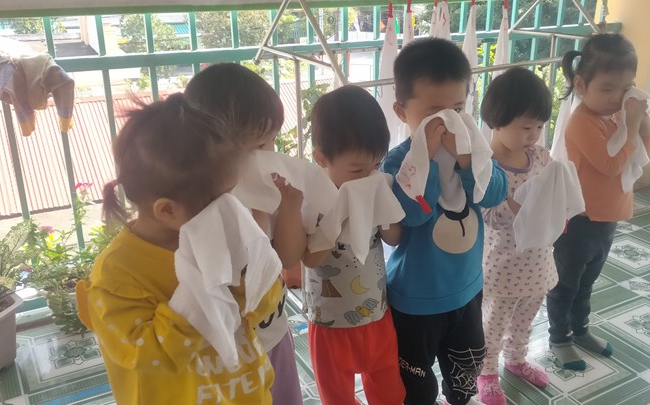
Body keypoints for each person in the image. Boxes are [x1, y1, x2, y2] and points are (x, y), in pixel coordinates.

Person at [75, 94, 282, 404]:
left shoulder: (223, 235)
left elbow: (262, 305)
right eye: (220, 199)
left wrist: (246, 283)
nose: (231, 207)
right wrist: (204, 292)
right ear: (168, 210)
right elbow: (145, 353)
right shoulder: (116, 274)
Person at [381, 37, 509, 405]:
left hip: (466, 288)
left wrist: (466, 160)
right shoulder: (398, 162)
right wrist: (428, 161)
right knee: (416, 383)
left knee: (465, 369)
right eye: (435, 111)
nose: (449, 121)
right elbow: (412, 216)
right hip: (415, 298)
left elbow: (494, 193)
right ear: (402, 111)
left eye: (457, 108)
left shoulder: (473, 149)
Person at [184, 63, 305, 405]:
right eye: (259, 145)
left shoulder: (266, 193)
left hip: (274, 335)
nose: (270, 154)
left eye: (272, 140)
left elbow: (287, 258)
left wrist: (289, 208)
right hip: (227, 359)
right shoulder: (198, 209)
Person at [548, 33, 650, 371]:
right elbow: (610, 165)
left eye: (626, 88)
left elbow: (643, 154)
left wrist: (644, 127)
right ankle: (559, 339)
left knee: (587, 283)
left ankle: (580, 331)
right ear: (581, 84)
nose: (618, 98)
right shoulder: (582, 121)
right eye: (607, 88)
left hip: (607, 219)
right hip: (579, 220)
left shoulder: (615, 117)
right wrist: (632, 124)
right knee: (565, 285)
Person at [302, 85, 405, 405]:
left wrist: (382, 204)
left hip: (375, 311)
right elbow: (310, 259)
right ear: (322, 159)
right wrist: (340, 217)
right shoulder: (313, 200)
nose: (368, 174)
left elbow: (393, 239)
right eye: (358, 169)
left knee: (388, 389)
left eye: (376, 165)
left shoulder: (375, 185)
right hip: (329, 320)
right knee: (337, 395)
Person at [475, 67, 557, 404]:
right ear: (496, 120)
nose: (534, 135)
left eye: (539, 127)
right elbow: (490, 216)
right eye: (526, 127)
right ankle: (486, 372)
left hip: (538, 260)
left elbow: (555, 192)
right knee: (493, 322)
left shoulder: (540, 157)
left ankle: (517, 358)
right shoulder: (486, 165)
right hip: (502, 265)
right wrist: (524, 206)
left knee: (526, 316)